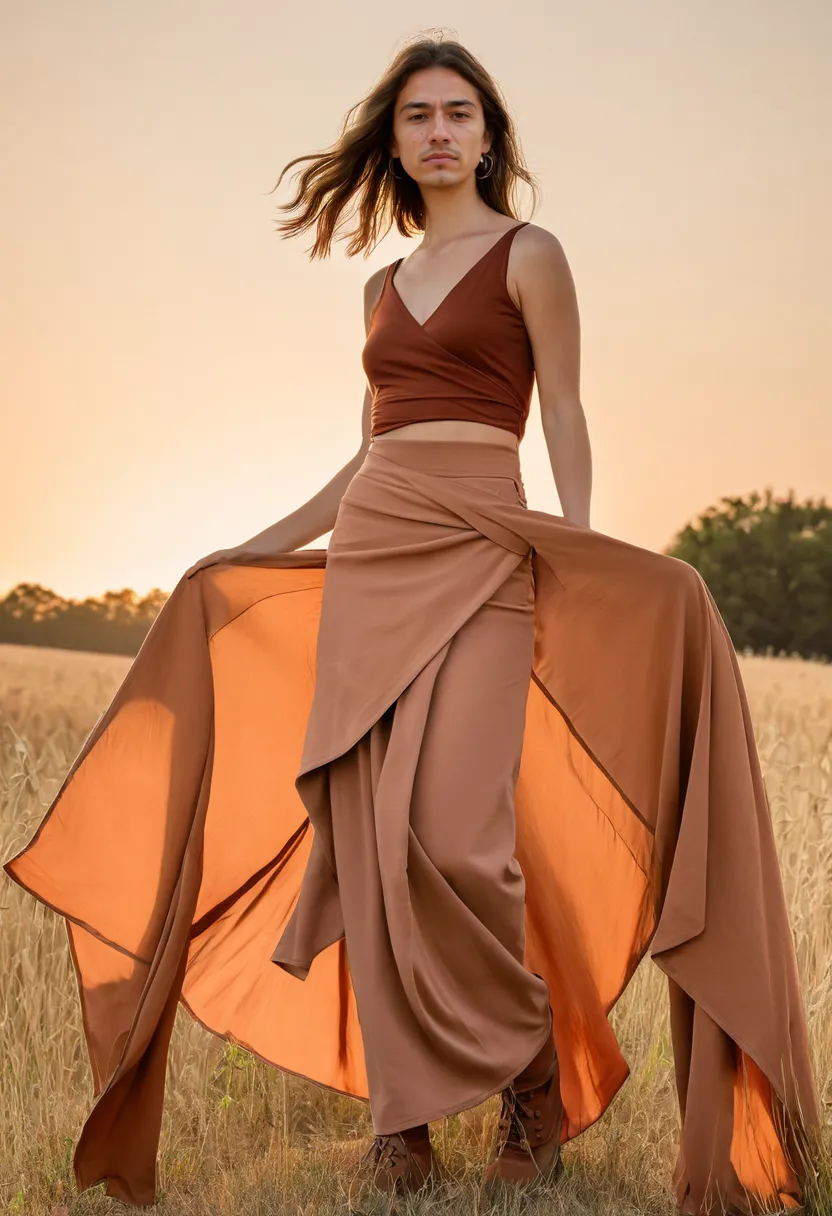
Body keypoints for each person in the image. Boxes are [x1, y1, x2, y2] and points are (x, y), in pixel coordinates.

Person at [4, 34, 821, 1216]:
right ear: (393, 142)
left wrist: (575, 551)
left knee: (457, 841)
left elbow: (564, 412)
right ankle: (405, 1125)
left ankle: (533, 1082)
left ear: (488, 136)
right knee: (368, 843)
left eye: (458, 113)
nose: (439, 131)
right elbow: (366, 456)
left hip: (486, 550)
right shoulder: (379, 289)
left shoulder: (531, 254)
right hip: (375, 561)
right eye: (417, 116)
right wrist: (250, 547)